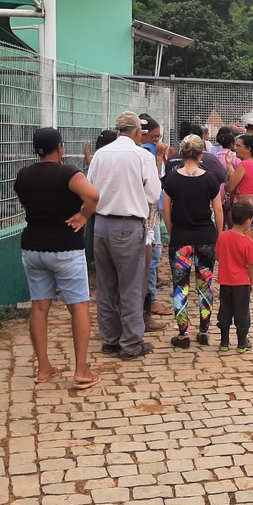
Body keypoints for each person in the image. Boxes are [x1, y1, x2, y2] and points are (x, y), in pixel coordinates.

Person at [14, 128, 101, 388]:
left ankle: (43, 367)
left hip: (33, 247)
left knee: (39, 307)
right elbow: (93, 195)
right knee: (78, 307)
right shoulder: (68, 173)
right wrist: (84, 215)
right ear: (60, 148)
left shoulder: (24, 175)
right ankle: (81, 370)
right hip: (66, 247)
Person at [87, 111, 160, 360]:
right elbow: (152, 194)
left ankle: (110, 339)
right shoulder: (142, 155)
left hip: (101, 225)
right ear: (138, 132)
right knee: (131, 286)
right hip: (129, 226)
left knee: (106, 285)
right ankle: (131, 343)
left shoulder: (100, 155)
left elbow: (90, 189)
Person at [162, 134, 224, 348]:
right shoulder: (210, 179)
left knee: (181, 287)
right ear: (200, 155)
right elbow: (217, 209)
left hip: (181, 239)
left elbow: (166, 210)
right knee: (205, 285)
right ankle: (204, 330)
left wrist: (172, 233)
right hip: (205, 237)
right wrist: (218, 235)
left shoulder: (171, 178)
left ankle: (183, 334)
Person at [139, 114, 172, 321]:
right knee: (152, 258)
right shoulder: (146, 152)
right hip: (147, 212)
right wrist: (159, 156)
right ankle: (150, 300)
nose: (157, 140)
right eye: (154, 136)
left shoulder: (147, 149)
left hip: (149, 210)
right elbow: (156, 181)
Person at [215, 200, 253, 353]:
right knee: (242, 313)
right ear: (248, 221)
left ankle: (224, 342)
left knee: (224, 311)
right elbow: (252, 264)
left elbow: (217, 255)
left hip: (225, 282)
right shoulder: (248, 242)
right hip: (241, 283)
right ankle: (241, 343)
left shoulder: (223, 237)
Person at [225, 133, 253, 238]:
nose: (235, 148)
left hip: (244, 210)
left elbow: (230, 187)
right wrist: (229, 164)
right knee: (248, 242)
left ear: (248, 149)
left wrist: (225, 186)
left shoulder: (244, 165)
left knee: (242, 243)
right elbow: (238, 179)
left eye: (238, 146)